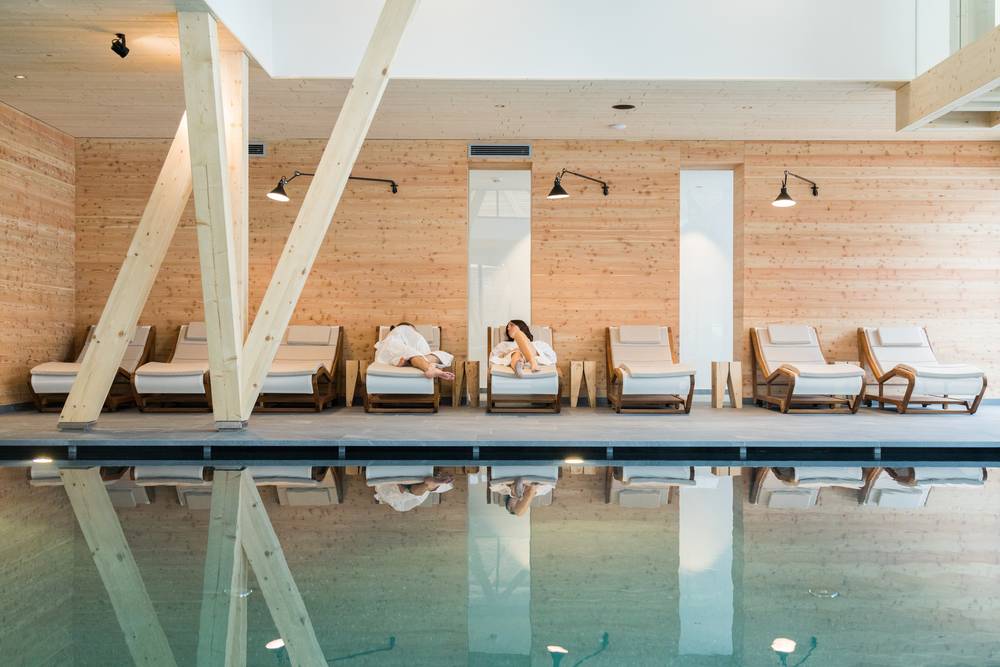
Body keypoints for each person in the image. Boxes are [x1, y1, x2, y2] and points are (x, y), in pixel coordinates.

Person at [375, 322, 455, 381]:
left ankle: (408, 362)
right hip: (393, 347)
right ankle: (429, 368)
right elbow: (418, 345)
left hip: (400, 354)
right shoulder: (403, 328)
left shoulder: (409, 336)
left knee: (442, 354)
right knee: (411, 353)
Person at [489, 320, 557, 378]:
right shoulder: (504, 344)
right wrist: (511, 351)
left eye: (511, 325)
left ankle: (529, 362)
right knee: (516, 353)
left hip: (534, 356)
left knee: (518, 335)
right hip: (514, 357)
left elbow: (552, 357)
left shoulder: (538, 343)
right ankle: (520, 365)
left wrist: (530, 350)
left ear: (521, 327)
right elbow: (493, 358)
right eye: (507, 327)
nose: (508, 328)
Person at [373, 473, 454, 512]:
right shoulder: (387, 498)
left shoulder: (388, 498)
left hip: (412, 491)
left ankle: (430, 485)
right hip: (411, 491)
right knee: (411, 493)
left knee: (413, 493)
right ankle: (431, 485)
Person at [490, 477, 555, 517]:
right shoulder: (542, 491)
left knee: (519, 512)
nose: (513, 505)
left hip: (514, 482)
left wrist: (510, 486)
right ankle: (530, 490)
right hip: (535, 481)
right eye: (513, 507)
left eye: (510, 506)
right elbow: (550, 482)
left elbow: (494, 483)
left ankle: (526, 490)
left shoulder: (503, 490)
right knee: (519, 512)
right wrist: (531, 488)